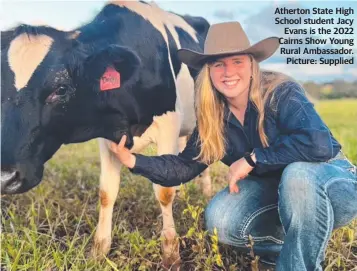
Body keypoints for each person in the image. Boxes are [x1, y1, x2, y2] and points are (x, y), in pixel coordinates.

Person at [110, 22, 357, 270]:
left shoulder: (280, 91)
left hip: (332, 186)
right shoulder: (213, 116)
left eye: (237, 61)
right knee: (221, 218)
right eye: (219, 64)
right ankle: (289, 249)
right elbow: (184, 166)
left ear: (251, 65)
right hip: (278, 192)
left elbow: (319, 144)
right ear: (209, 71)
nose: (228, 71)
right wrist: (132, 160)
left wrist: (253, 159)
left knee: (298, 175)